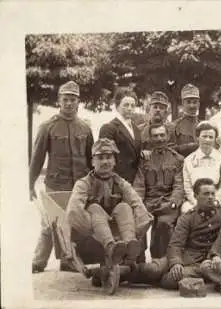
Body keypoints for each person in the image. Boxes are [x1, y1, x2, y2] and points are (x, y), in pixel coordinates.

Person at [66, 139, 153, 283]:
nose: (105, 162)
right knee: (94, 208)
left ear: (114, 161)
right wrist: (91, 229)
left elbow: (136, 201)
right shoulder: (84, 184)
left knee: (124, 207)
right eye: (100, 158)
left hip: (117, 227)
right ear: (93, 161)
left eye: (109, 157)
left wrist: (140, 225)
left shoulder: (120, 182)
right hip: (94, 232)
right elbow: (74, 210)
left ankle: (129, 245)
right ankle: (110, 246)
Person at [30, 81, 94, 273]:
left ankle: (68, 260)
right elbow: (37, 158)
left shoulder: (85, 128)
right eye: (65, 99)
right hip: (56, 182)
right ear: (59, 100)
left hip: (80, 184)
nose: (69, 103)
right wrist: (30, 183)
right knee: (51, 222)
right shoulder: (47, 127)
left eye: (72, 99)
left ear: (78, 102)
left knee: (75, 222)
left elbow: (91, 159)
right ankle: (39, 260)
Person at [161, 178, 221, 290]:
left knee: (171, 279)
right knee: (154, 269)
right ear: (196, 195)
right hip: (190, 259)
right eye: (206, 194)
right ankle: (126, 271)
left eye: (213, 193)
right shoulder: (187, 218)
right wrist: (176, 263)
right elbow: (176, 244)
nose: (211, 197)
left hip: (211, 262)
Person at [133, 123, 184, 258]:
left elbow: (179, 185)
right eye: (155, 136)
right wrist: (138, 204)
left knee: (164, 223)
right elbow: (139, 185)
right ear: (150, 138)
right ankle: (138, 261)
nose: (159, 139)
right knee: (139, 222)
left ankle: (161, 260)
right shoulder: (144, 159)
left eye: (162, 135)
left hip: (167, 202)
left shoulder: (177, 159)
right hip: (148, 202)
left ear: (167, 136)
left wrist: (174, 202)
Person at [181, 121, 221, 213]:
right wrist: (195, 202)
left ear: (215, 139)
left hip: (216, 199)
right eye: (204, 136)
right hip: (195, 200)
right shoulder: (189, 160)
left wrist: (216, 200)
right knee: (187, 210)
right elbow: (187, 186)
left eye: (211, 137)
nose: (207, 140)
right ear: (197, 138)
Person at [99, 87, 142, 184]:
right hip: (116, 181)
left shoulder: (137, 129)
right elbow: (105, 159)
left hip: (135, 181)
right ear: (117, 106)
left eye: (133, 105)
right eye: (126, 105)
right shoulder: (109, 128)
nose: (130, 108)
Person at [166, 84, 200, 157]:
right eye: (188, 102)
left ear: (198, 104)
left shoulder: (203, 125)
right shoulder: (174, 126)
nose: (192, 106)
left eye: (195, 102)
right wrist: (186, 147)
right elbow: (168, 150)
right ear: (182, 103)